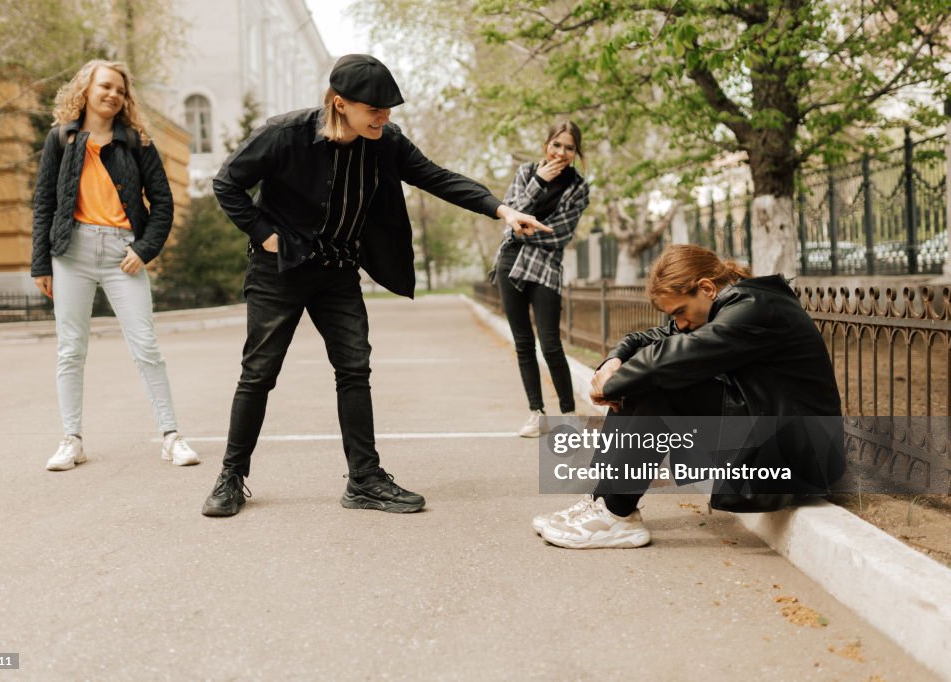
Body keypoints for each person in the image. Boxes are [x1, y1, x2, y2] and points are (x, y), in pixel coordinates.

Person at [201, 54, 549, 517]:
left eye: (389, 110)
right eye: (375, 110)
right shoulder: (286, 134)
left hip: (338, 271)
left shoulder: (386, 142)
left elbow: (437, 177)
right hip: (280, 271)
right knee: (260, 372)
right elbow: (227, 182)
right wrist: (264, 235)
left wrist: (502, 210)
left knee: (354, 369)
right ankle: (231, 475)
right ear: (340, 104)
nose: (384, 118)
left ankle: (364, 480)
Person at [534, 244, 846, 549]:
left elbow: (679, 355)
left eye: (681, 311)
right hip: (776, 432)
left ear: (707, 288)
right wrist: (614, 362)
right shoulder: (729, 306)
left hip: (803, 454)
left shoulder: (755, 308)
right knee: (642, 380)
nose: (679, 323)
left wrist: (611, 387)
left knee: (659, 389)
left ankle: (616, 512)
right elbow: (648, 339)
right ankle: (604, 502)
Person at [31, 60, 200, 471]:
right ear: (85, 89)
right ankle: (71, 440)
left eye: (120, 90)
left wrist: (144, 249)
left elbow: (162, 203)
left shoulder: (137, 142)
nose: (113, 94)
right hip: (70, 253)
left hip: (123, 255)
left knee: (146, 347)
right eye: (105, 86)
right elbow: (44, 204)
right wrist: (41, 265)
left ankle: (171, 437)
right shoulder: (61, 139)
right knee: (70, 350)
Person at [492, 121, 590, 437]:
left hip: (547, 266)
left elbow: (560, 234)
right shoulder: (525, 173)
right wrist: (536, 183)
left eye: (569, 147)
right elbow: (509, 221)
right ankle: (536, 413)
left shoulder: (579, 188)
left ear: (577, 152)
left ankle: (569, 415)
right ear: (546, 144)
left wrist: (522, 231)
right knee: (523, 343)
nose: (561, 152)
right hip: (511, 263)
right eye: (556, 145)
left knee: (550, 343)